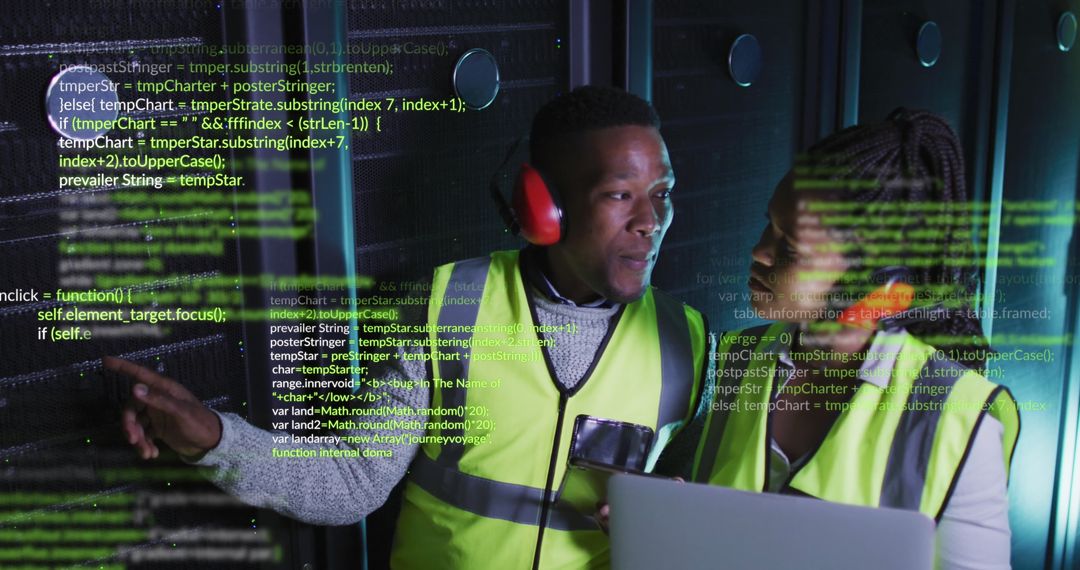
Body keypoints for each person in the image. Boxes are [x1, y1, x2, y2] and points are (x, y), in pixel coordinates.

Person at [105, 85, 710, 569]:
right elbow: (354, 482)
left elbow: (704, 527)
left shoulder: (688, 342)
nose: (651, 220)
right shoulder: (450, 305)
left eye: (663, 193)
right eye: (619, 195)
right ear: (544, 205)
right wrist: (214, 439)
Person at [682, 109, 1019, 569]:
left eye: (791, 247)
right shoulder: (736, 357)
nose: (759, 251)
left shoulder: (962, 422)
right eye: (770, 226)